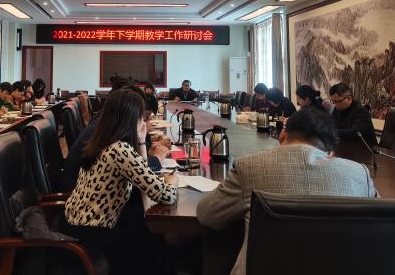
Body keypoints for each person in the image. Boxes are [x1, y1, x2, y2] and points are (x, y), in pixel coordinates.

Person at [197, 108, 377, 275]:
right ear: (330, 151)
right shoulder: (359, 174)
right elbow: (380, 227)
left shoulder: (249, 166)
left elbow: (207, 215)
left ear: (283, 134)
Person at [65, 88, 177, 275]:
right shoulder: (119, 150)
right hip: (96, 236)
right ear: (132, 119)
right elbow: (166, 195)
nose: (144, 122)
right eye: (142, 117)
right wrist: (173, 180)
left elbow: (143, 174)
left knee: (144, 224)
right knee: (150, 234)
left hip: (80, 226)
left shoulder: (101, 141)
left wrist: (141, 141)